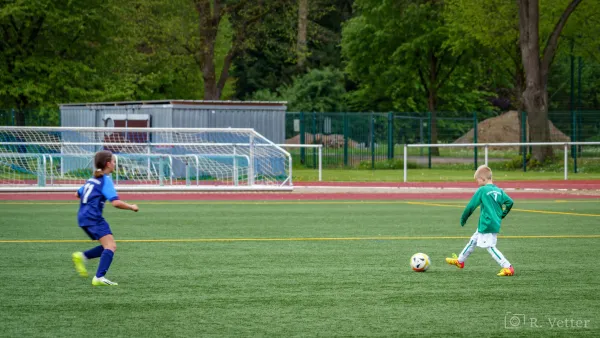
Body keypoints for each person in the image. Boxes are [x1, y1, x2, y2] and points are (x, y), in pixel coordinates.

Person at [71, 150, 138, 286]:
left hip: (82, 217)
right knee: (111, 246)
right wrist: (131, 206)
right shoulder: (105, 180)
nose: (114, 164)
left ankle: (82, 256)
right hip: (93, 217)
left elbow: (77, 194)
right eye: (113, 162)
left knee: (107, 246)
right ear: (108, 164)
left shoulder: (92, 179)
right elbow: (116, 203)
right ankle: (99, 277)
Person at [445, 165, 515, 276]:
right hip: (494, 222)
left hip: (486, 223)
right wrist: (503, 214)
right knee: (473, 240)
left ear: (483, 179)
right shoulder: (499, 191)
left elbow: (471, 206)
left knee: (489, 246)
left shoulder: (482, 190)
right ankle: (460, 260)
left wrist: (464, 218)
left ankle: (507, 267)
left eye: (477, 180)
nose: (476, 182)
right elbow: (510, 202)